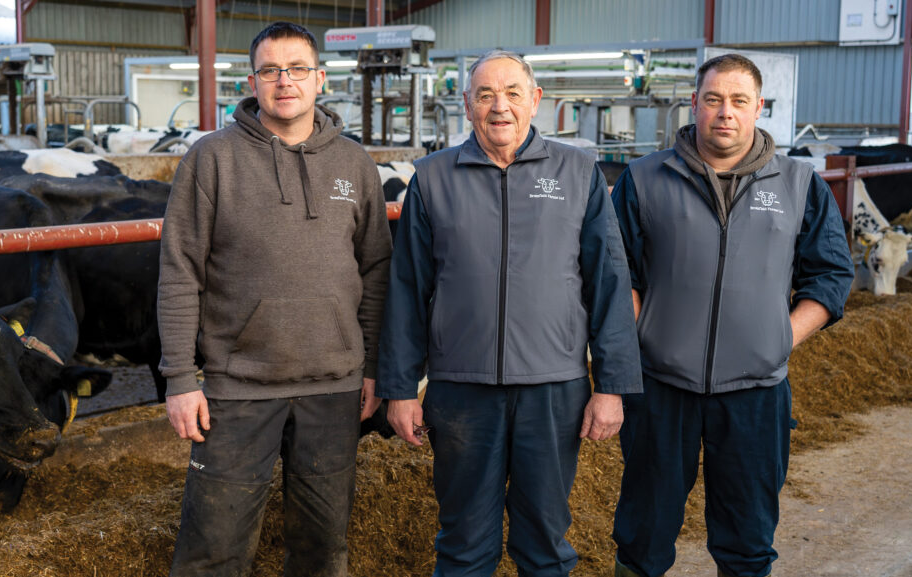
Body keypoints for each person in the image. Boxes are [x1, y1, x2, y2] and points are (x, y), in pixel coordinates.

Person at [377, 49, 643, 577]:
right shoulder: (432, 178)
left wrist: (611, 386)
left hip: (554, 387)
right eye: (485, 95)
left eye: (513, 93)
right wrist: (401, 389)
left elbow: (610, 282)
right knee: (462, 543)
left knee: (545, 541)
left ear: (535, 100)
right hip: (460, 391)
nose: (500, 106)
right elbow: (407, 289)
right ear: (468, 106)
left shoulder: (578, 172)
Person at [156, 21, 392, 577]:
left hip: (334, 388)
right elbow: (178, 271)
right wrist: (180, 380)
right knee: (212, 549)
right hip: (236, 390)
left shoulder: (355, 164)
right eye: (270, 70)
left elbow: (376, 269)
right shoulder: (211, 159)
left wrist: (375, 366)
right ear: (254, 80)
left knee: (321, 548)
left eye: (298, 69)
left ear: (321, 78)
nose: (285, 81)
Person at [610, 53, 854, 577]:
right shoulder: (644, 179)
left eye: (739, 101)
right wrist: (643, 334)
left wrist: (779, 338)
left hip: (757, 393)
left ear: (758, 108)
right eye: (714, 99)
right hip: (661, 389)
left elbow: (831, 276)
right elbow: (618, 271)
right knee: (643, 534)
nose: (726, 112)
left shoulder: (798, 184)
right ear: (694, 104)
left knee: (747, 539)